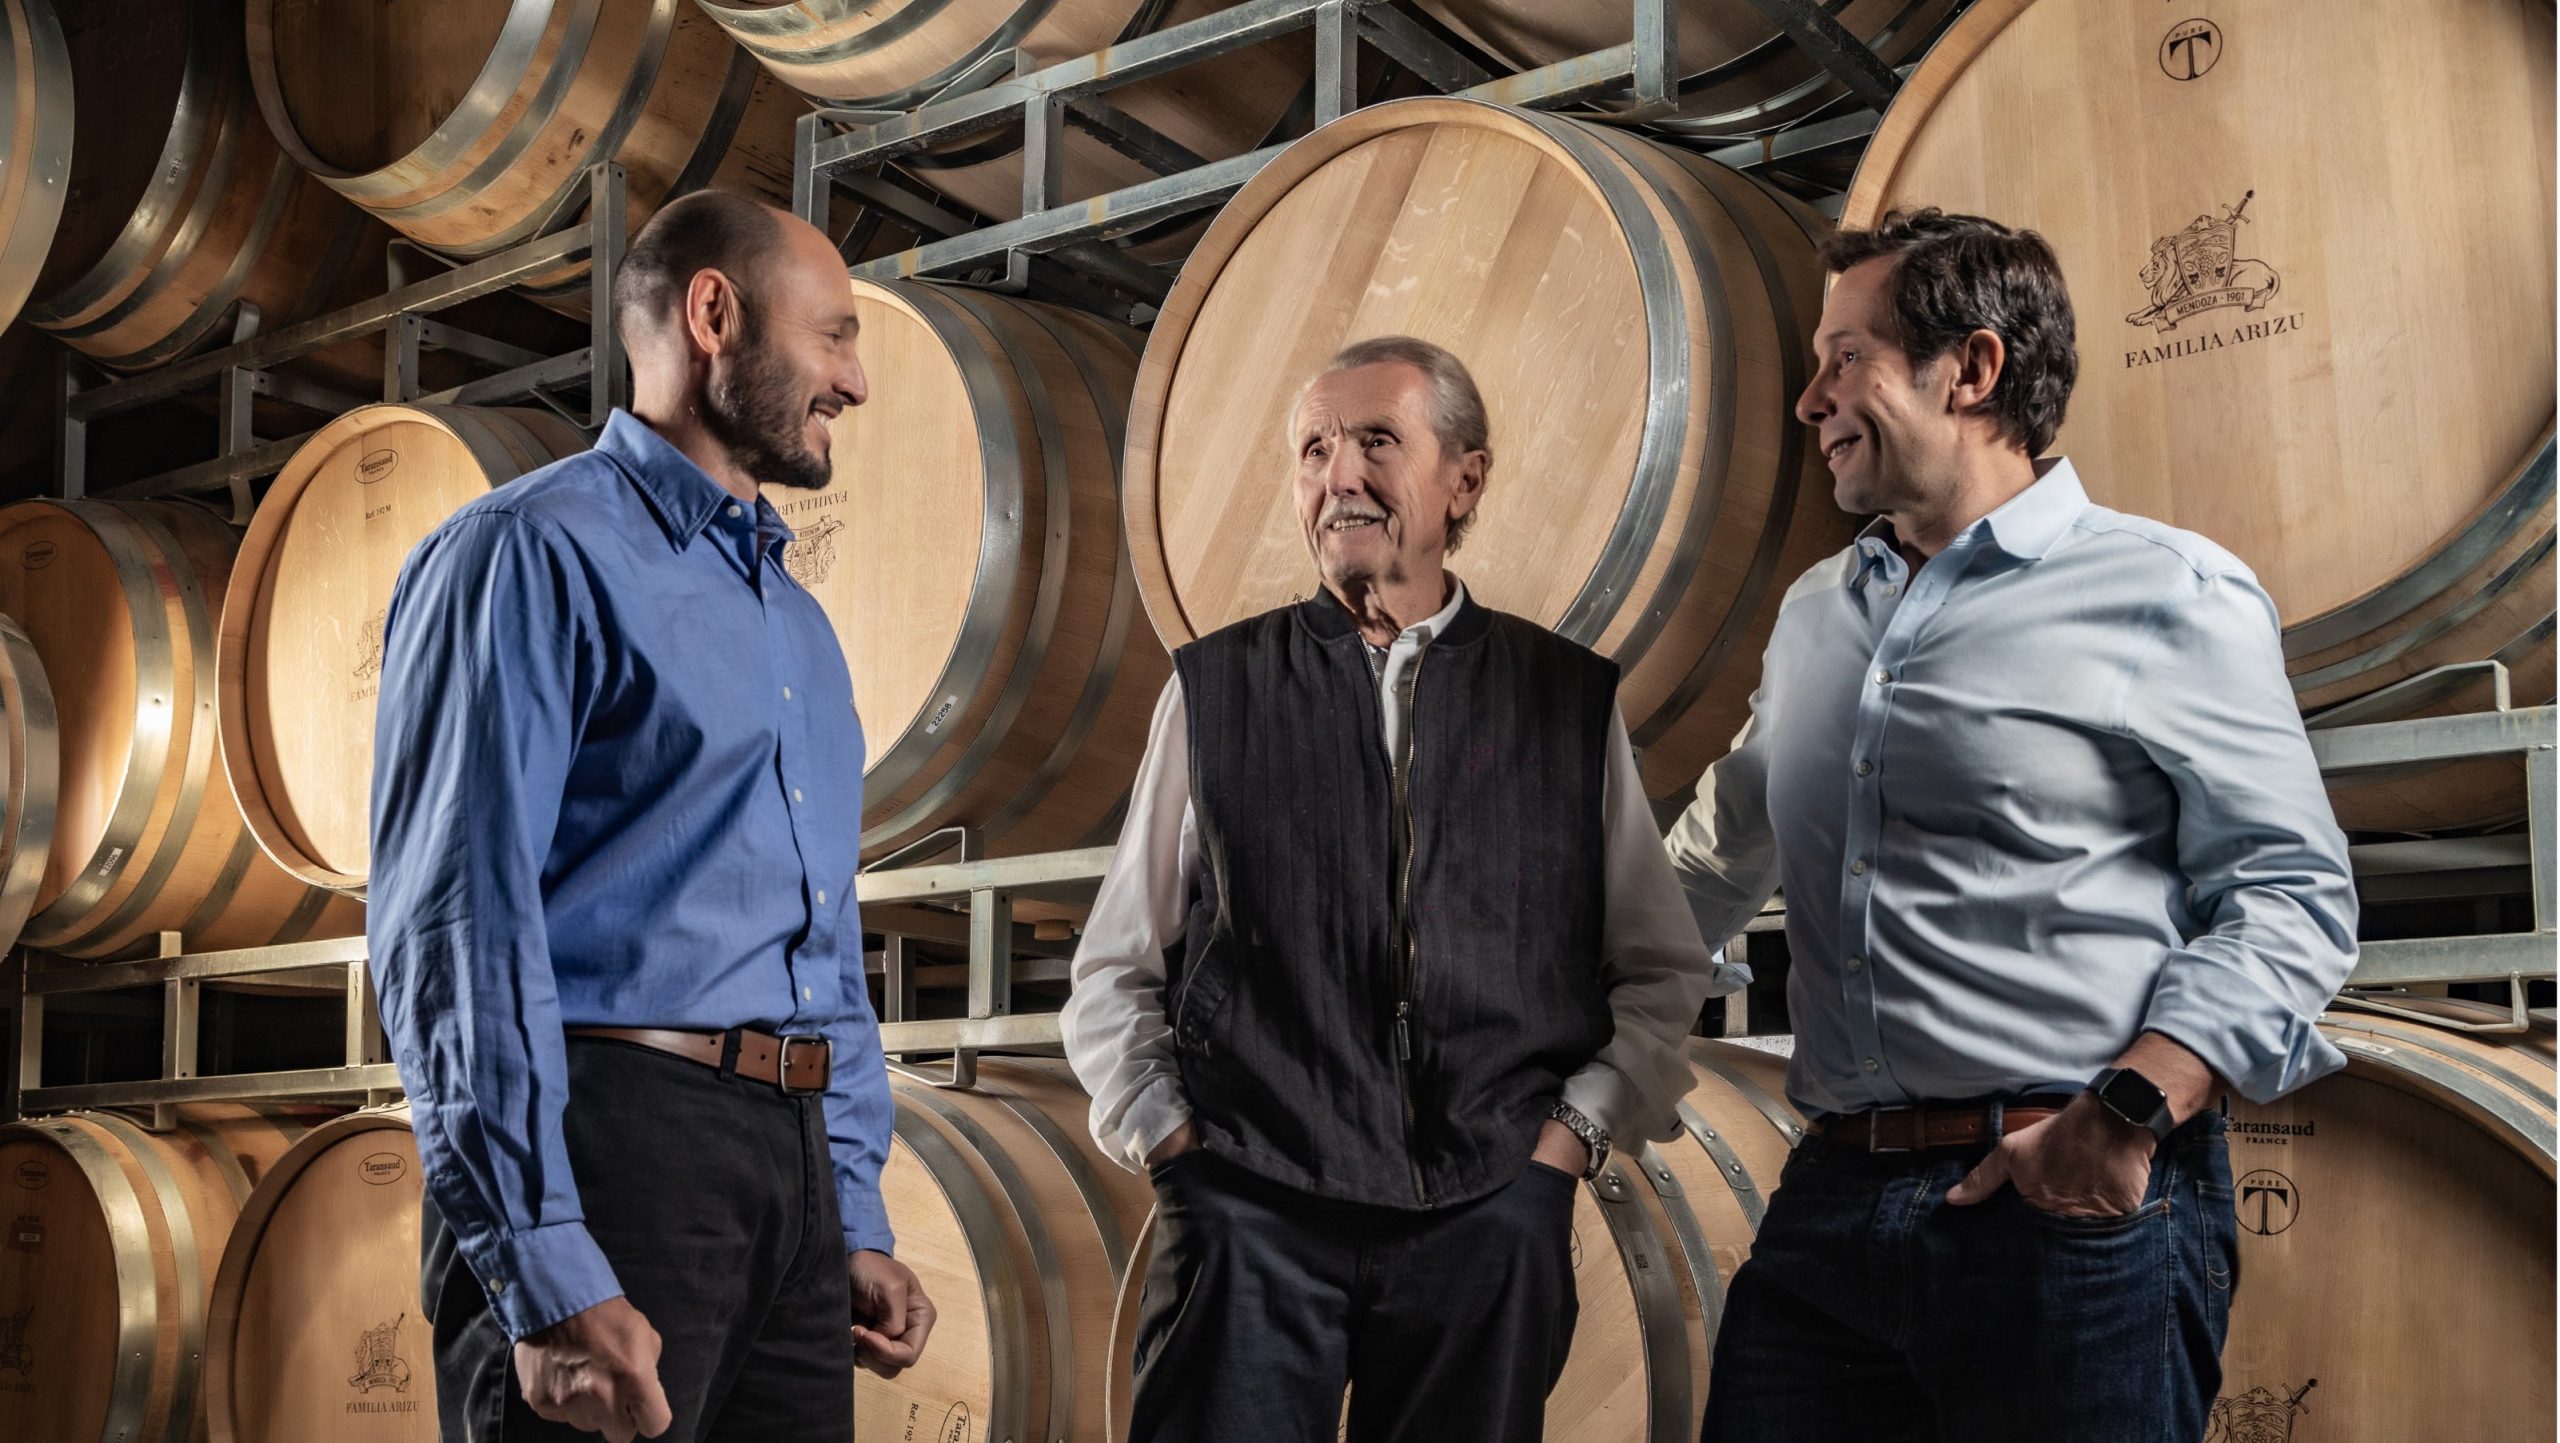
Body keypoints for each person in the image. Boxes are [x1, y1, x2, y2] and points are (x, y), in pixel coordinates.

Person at [1667, 209, 2359, 1442]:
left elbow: (2291, 895)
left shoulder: (2164, 590)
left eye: (1846, 358)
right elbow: (1722, 849)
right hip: (1831, 1197)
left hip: (2061, 1202)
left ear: (1972, 370)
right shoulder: (1818, 609)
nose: (1808, 398)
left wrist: (2126, 1118)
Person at [1061, 334, 1741, 1443]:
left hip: (1485, 1214)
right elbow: (1116, 964)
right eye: (1314, 449)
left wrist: (1567, 1140)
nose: (1340, 476)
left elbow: (1660, 965)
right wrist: (1176, 1149)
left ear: (1463, 478)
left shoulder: (1561, 699)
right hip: (1252, 1199)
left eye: (1378, 440)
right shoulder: (1216, 688)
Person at [369, 190, 935, 1443]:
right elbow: (457, 932)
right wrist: (544, 1263)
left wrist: (848, 1207)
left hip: (786, 1170)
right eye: (834, 337)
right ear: (715, 315)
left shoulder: (796, 622)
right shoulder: (528, 553)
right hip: (616, 1148)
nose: (855, 381)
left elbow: (820, 942)